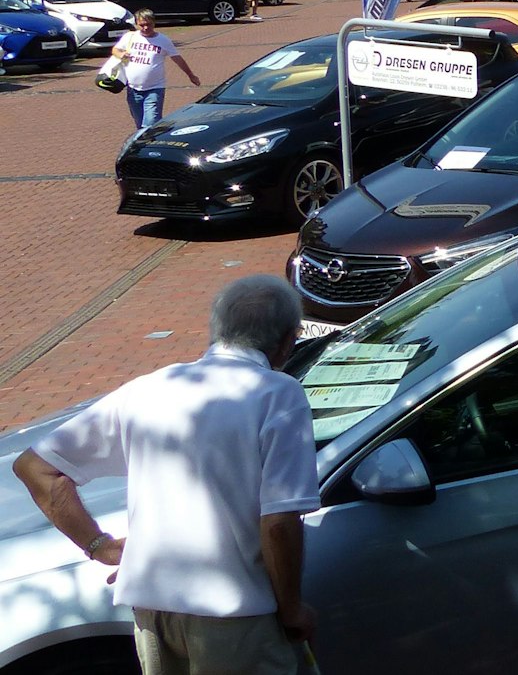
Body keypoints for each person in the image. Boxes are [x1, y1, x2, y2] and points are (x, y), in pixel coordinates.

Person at [13, 276, 318, 675]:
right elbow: (278, 521)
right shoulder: (279, 394)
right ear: (286, 342)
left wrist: (98, 544)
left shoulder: (148, 388)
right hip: (233, 620)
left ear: (216, 328)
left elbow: (36, 467)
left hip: (152, 616)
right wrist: (292, 609)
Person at [109, 10, 200, 132]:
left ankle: (153, 147)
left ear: (154, 23)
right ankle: (143, 148)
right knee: (140, 126)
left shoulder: (163, 40)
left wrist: (191, 75)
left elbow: (177, 58)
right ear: (136, 24)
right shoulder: (130, 37)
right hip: (133, 90)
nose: (146, 28)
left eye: (149, 24)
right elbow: (115, 50)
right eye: (142, 25)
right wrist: (121, 54)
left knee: (150, 125)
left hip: (154, 89)